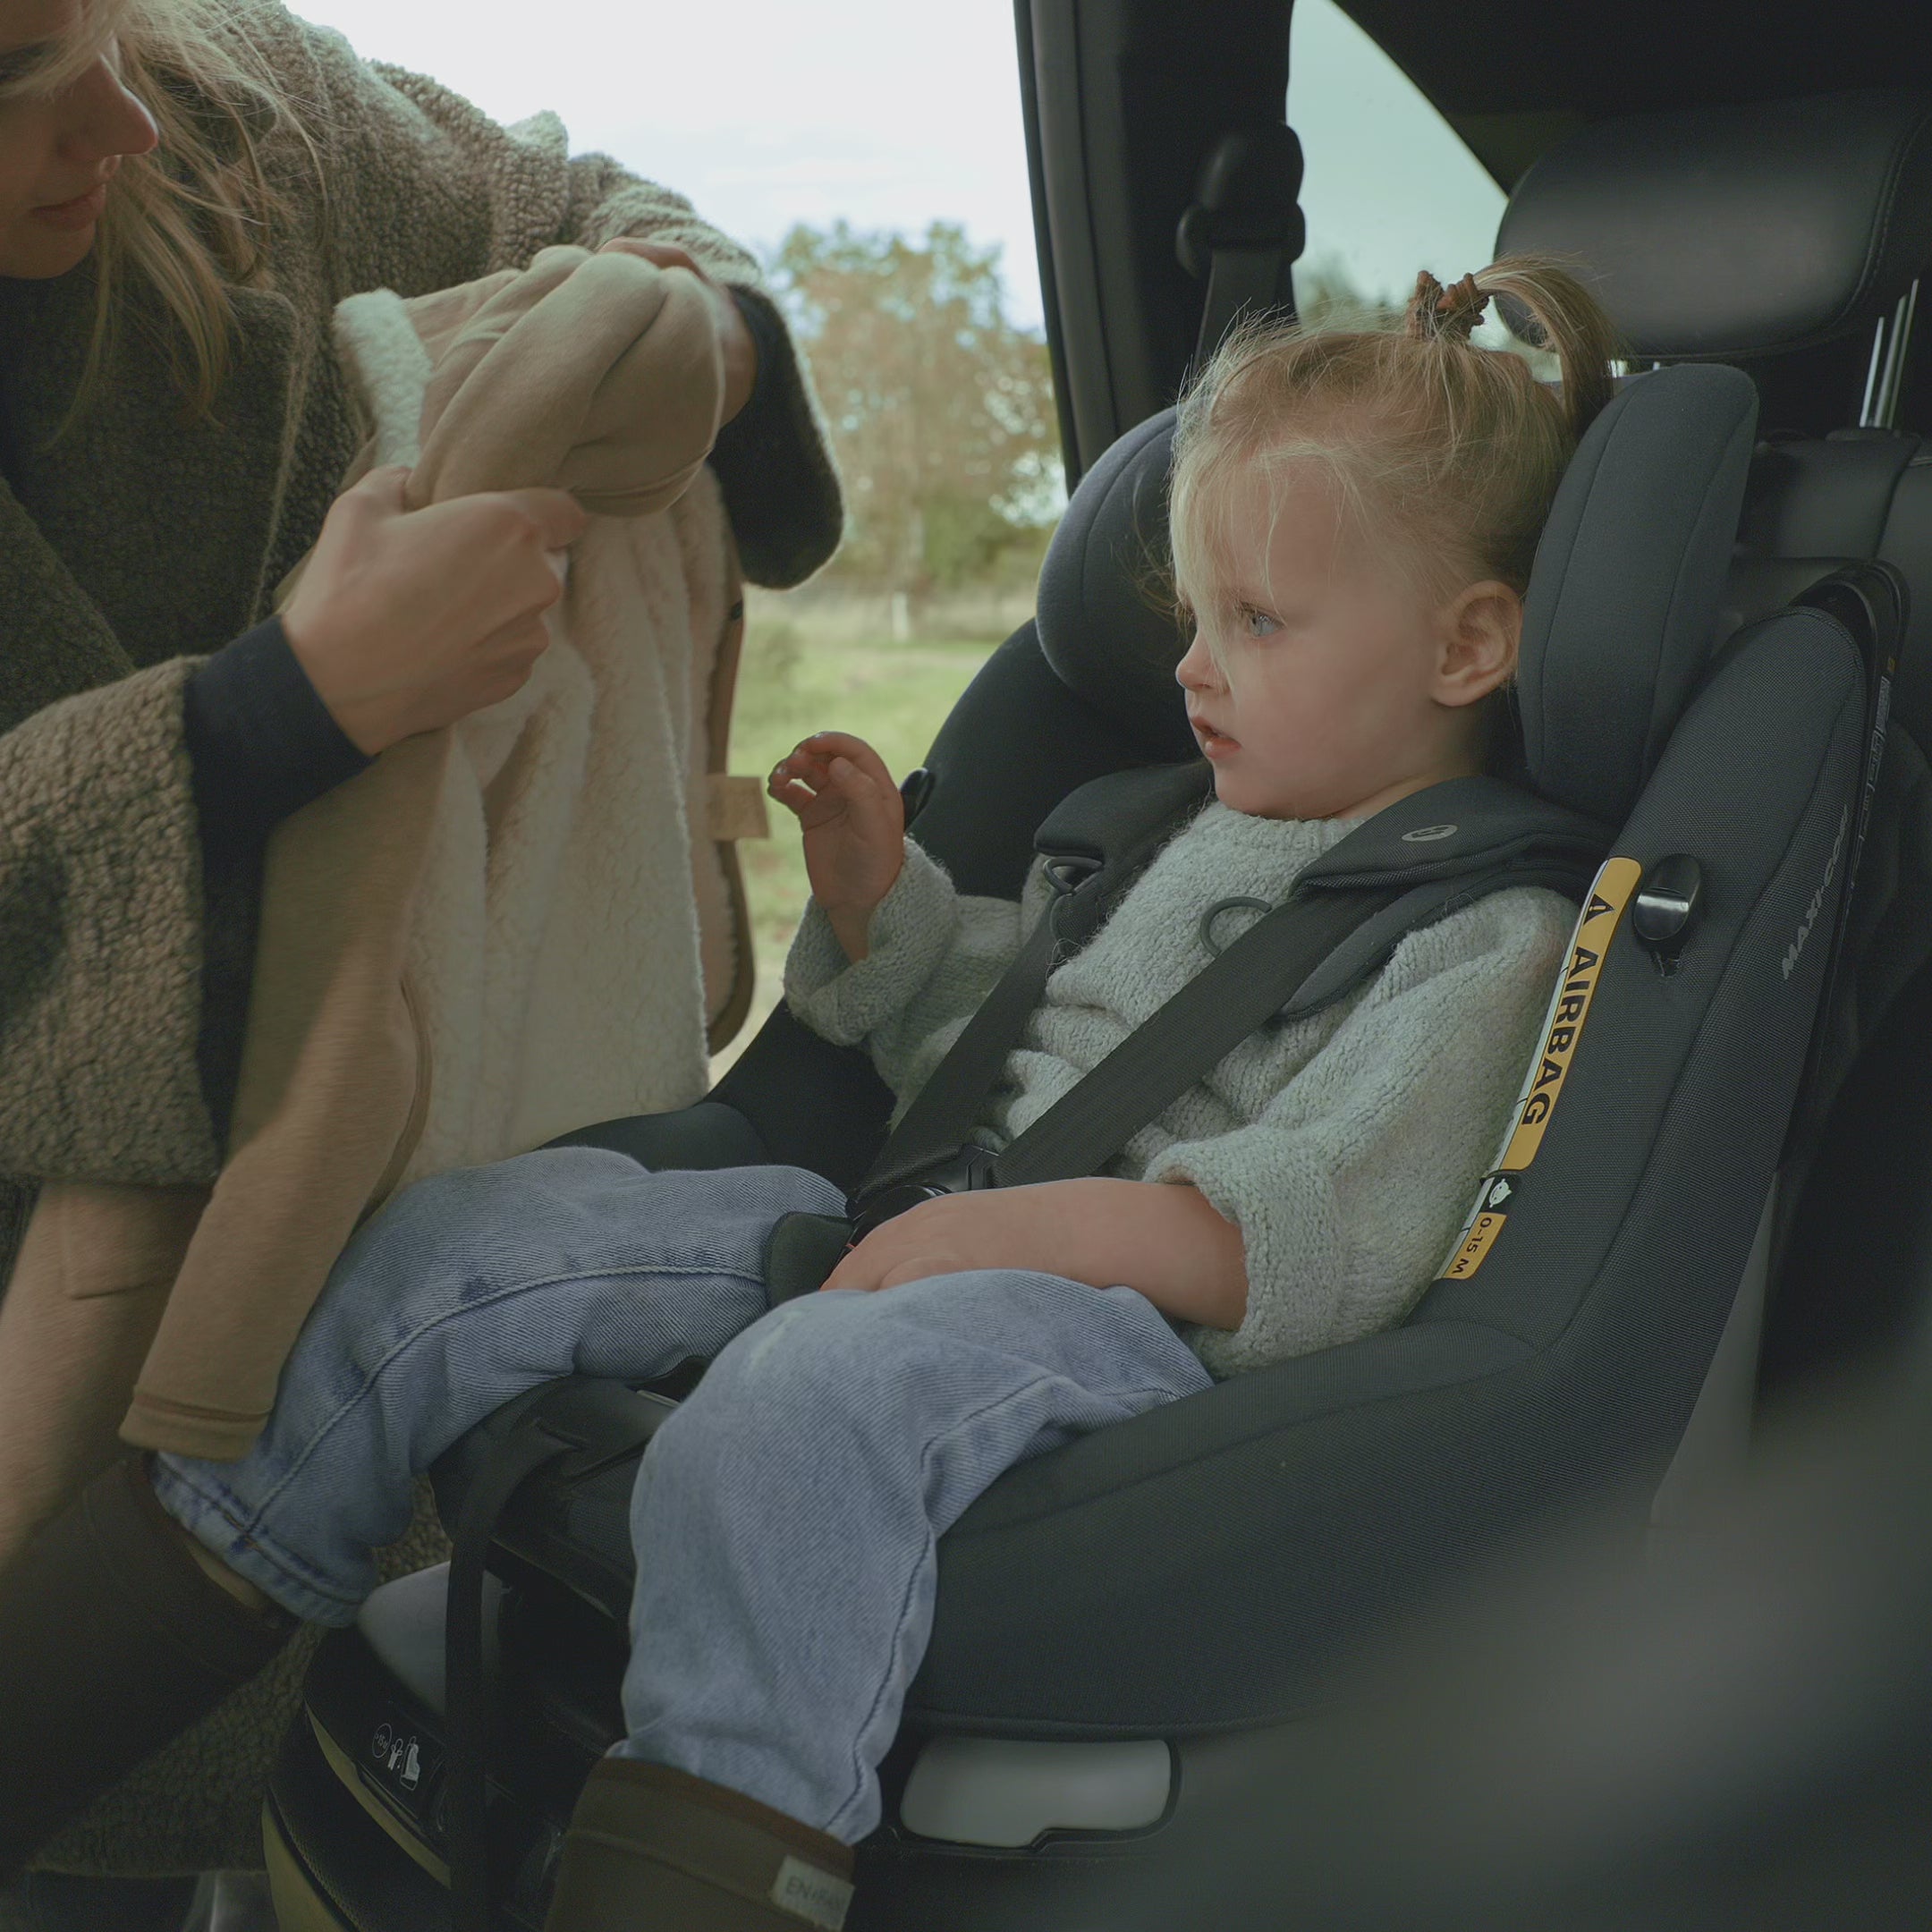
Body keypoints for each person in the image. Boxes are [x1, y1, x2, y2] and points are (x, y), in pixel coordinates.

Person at [0, 258, 1622, 1926]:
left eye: (1259, 625)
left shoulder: (1485, 934)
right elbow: (1012, 1047)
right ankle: (79, 1688)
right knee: (452, 1253)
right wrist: (885, 906)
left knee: (787, 1414)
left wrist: (1019, 1239)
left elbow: (1323, 1234)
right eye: (1194, 621)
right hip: (934, 1230)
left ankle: (721, 1849)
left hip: (1136, 1347)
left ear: (1468, 645)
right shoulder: (1174, 824)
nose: (1198, 669)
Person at [0, 0, 837, 1884]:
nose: (123, 122)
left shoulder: (231, 115)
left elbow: (600, 206)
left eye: (100, 31)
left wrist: (698, 338)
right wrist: (274, 719)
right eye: (15, 82)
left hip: (361, 1390)